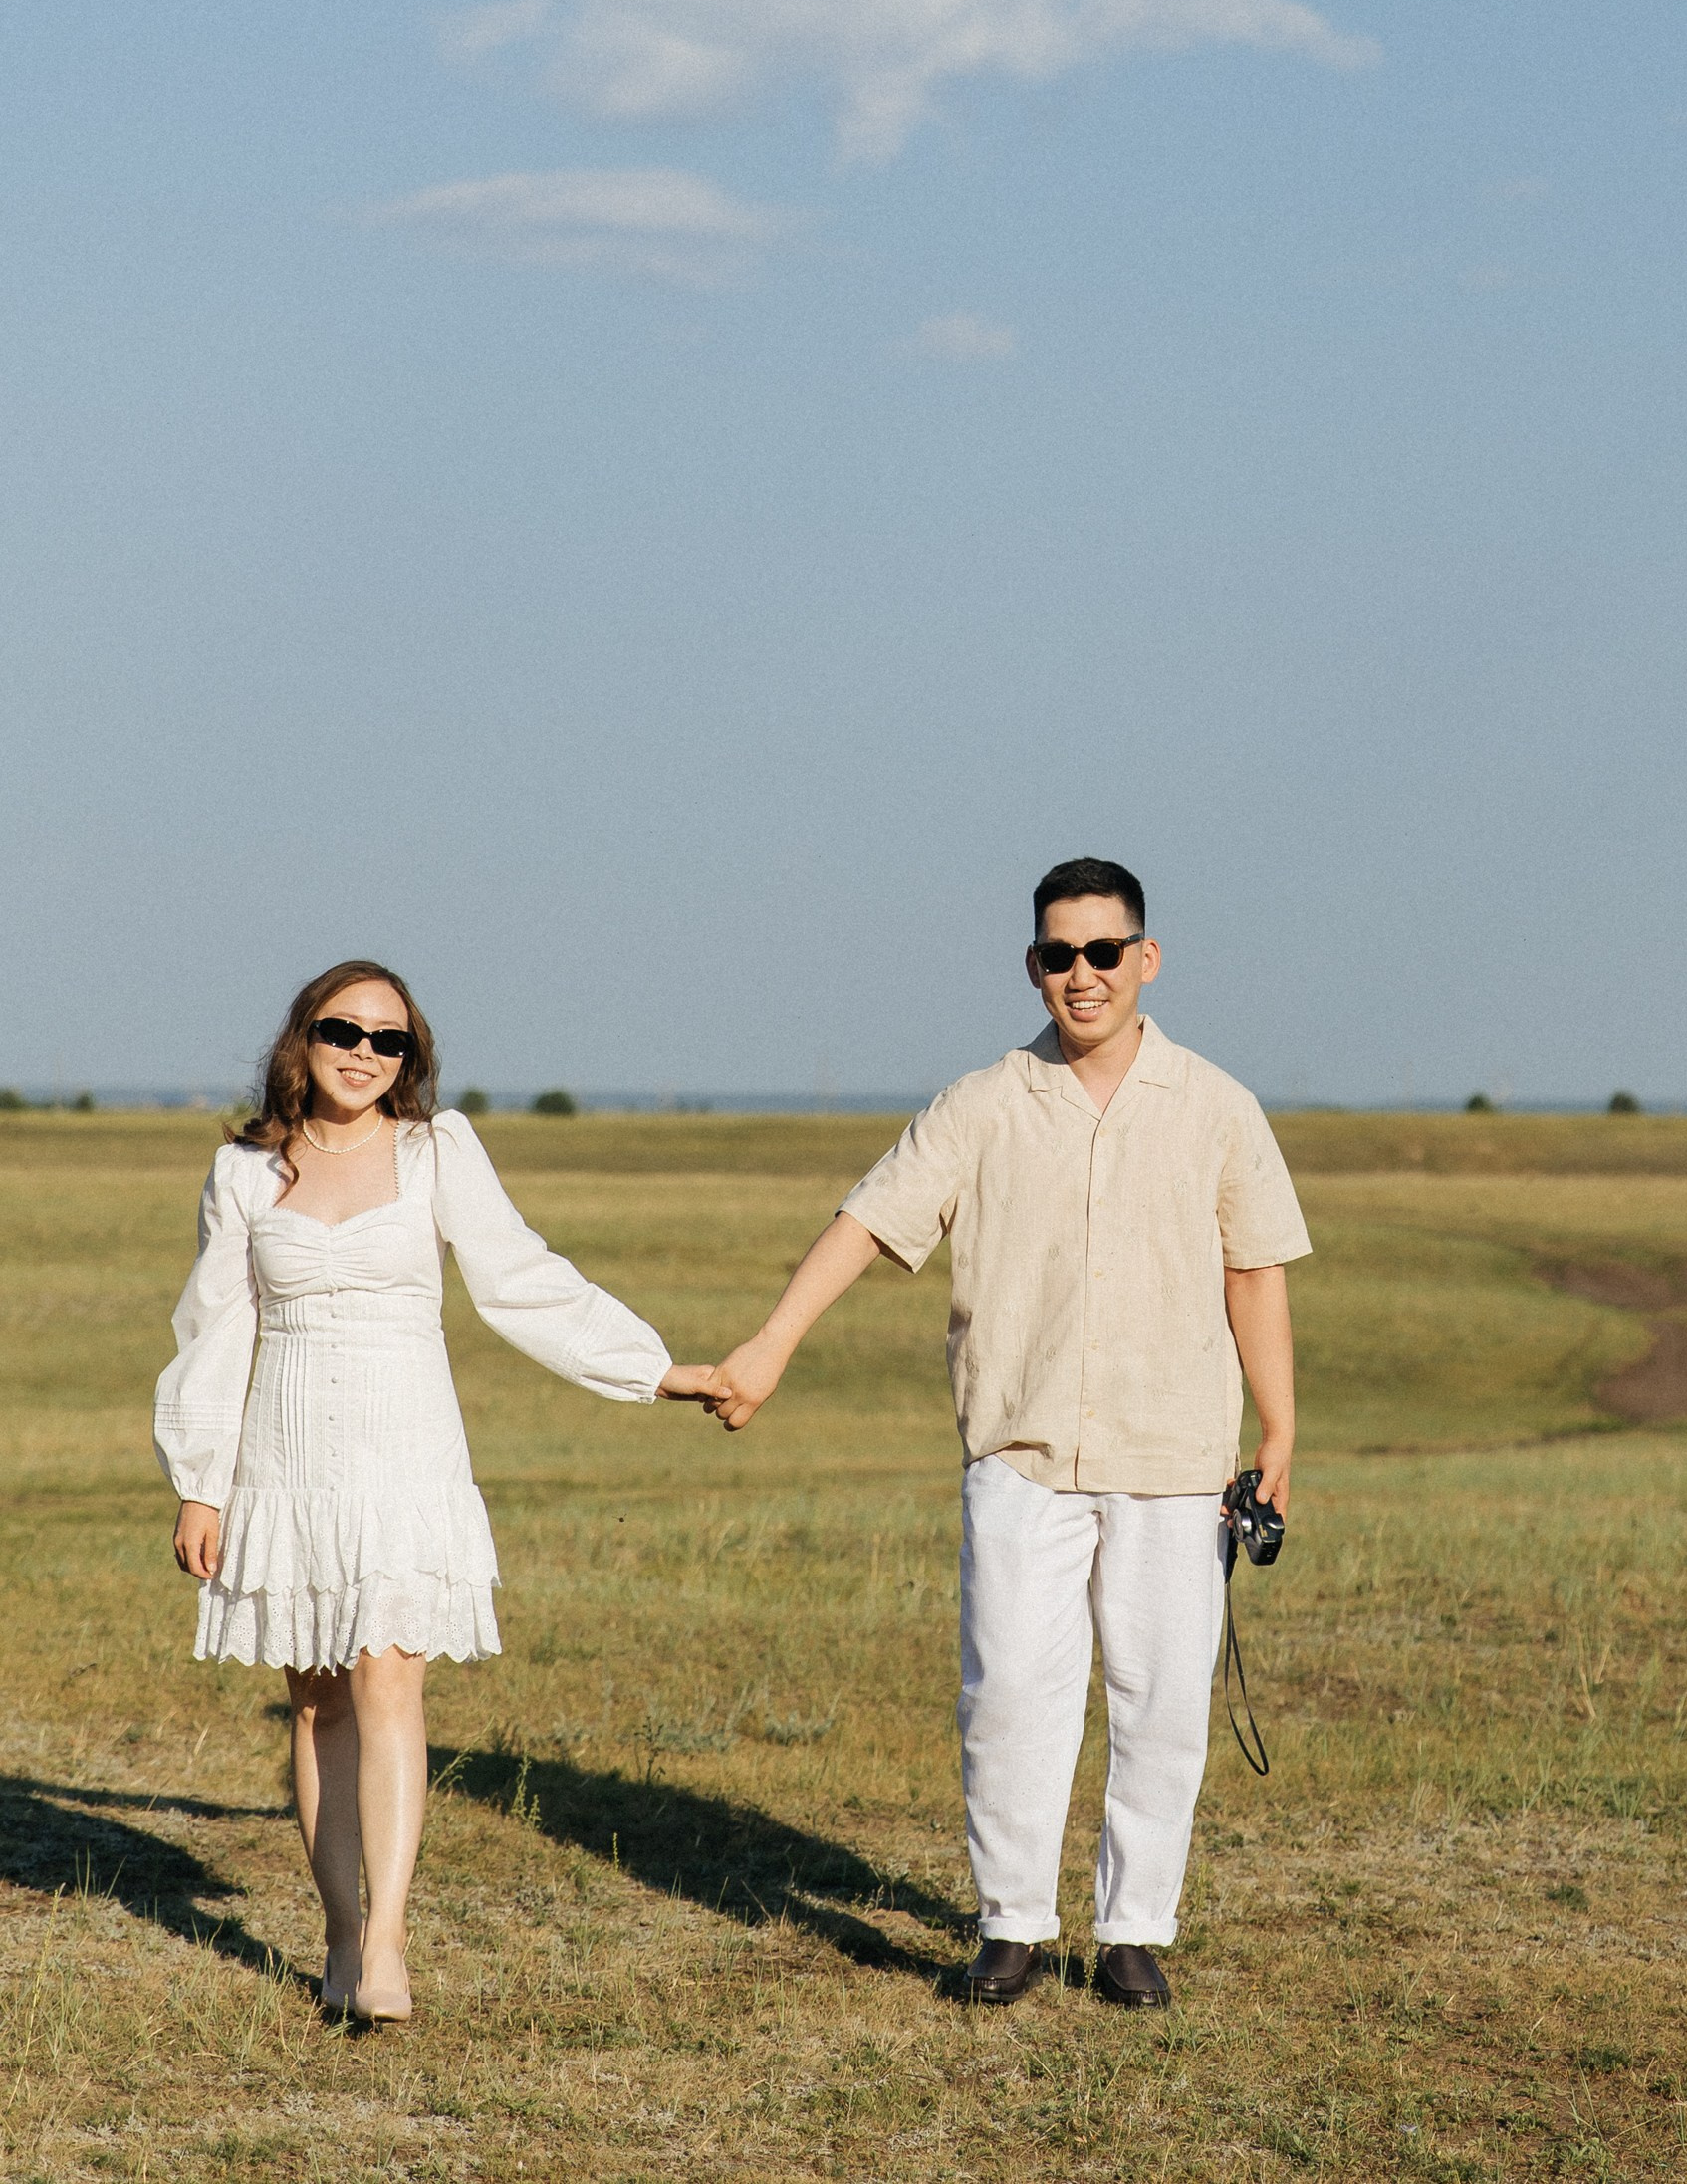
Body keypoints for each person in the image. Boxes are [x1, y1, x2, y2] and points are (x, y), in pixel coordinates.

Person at [700, 858, 1310, 2009]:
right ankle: (1012, 1926)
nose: (1079, 976)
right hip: (1020, 1456)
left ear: (1146, 957)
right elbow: (869, 1222)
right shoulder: (982, 1101)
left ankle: (1133, 1933)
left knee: (1163, 1699)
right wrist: (769, 1345)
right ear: (1031, 965)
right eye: (1055, 955)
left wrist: (1278, 1428)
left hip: (1175, 1459)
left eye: (1101, 952)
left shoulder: (1218, 1106)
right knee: (1010, 1696)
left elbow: (1255, 1272)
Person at [154, 960, 711, 2026]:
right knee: (315, 1700)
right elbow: (213, 1332)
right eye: (342, 1029)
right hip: (285, 1457)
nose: (365, 1051)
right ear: (300, 1040)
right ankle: (340, 1934)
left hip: (404, 1452)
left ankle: (393, 1941)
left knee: (389, 1679)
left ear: (411, 1057)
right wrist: (201, 1485)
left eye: (389, 1038)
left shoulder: (436, 1151)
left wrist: (656, 1367)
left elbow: (523, 1277)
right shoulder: (242, 1172)